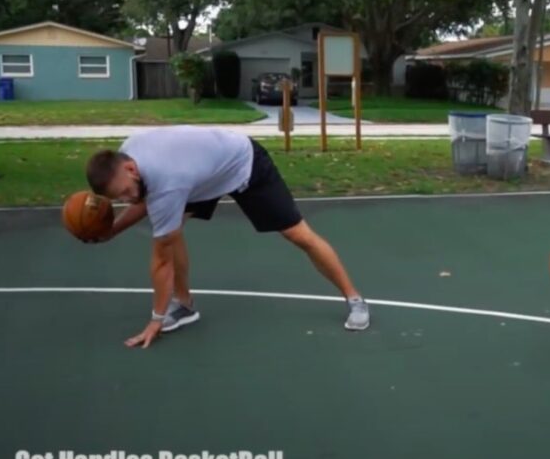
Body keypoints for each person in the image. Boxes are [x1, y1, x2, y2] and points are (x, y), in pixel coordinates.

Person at [83, 125, 370, 348]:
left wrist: (155, 320)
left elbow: (161, 258)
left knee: (298, 234)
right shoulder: (128, 155)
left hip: (243, 165)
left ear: (131, 169)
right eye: (118, 197)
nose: (126, 200)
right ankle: (183, 305)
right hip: (201, 176)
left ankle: (355, 299)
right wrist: (110, 231)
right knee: (170, 229)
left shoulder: (166, 179)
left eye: (124, 192)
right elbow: (146, 200)